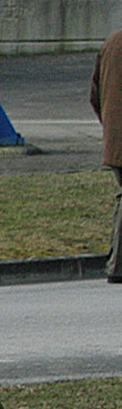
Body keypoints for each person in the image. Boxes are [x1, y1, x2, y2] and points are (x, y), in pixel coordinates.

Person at [92, 26, 122, 283]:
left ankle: (117, 264)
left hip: (115, 143)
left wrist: (110, 126)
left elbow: (95, 94)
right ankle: (117, 266)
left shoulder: (111, 42)